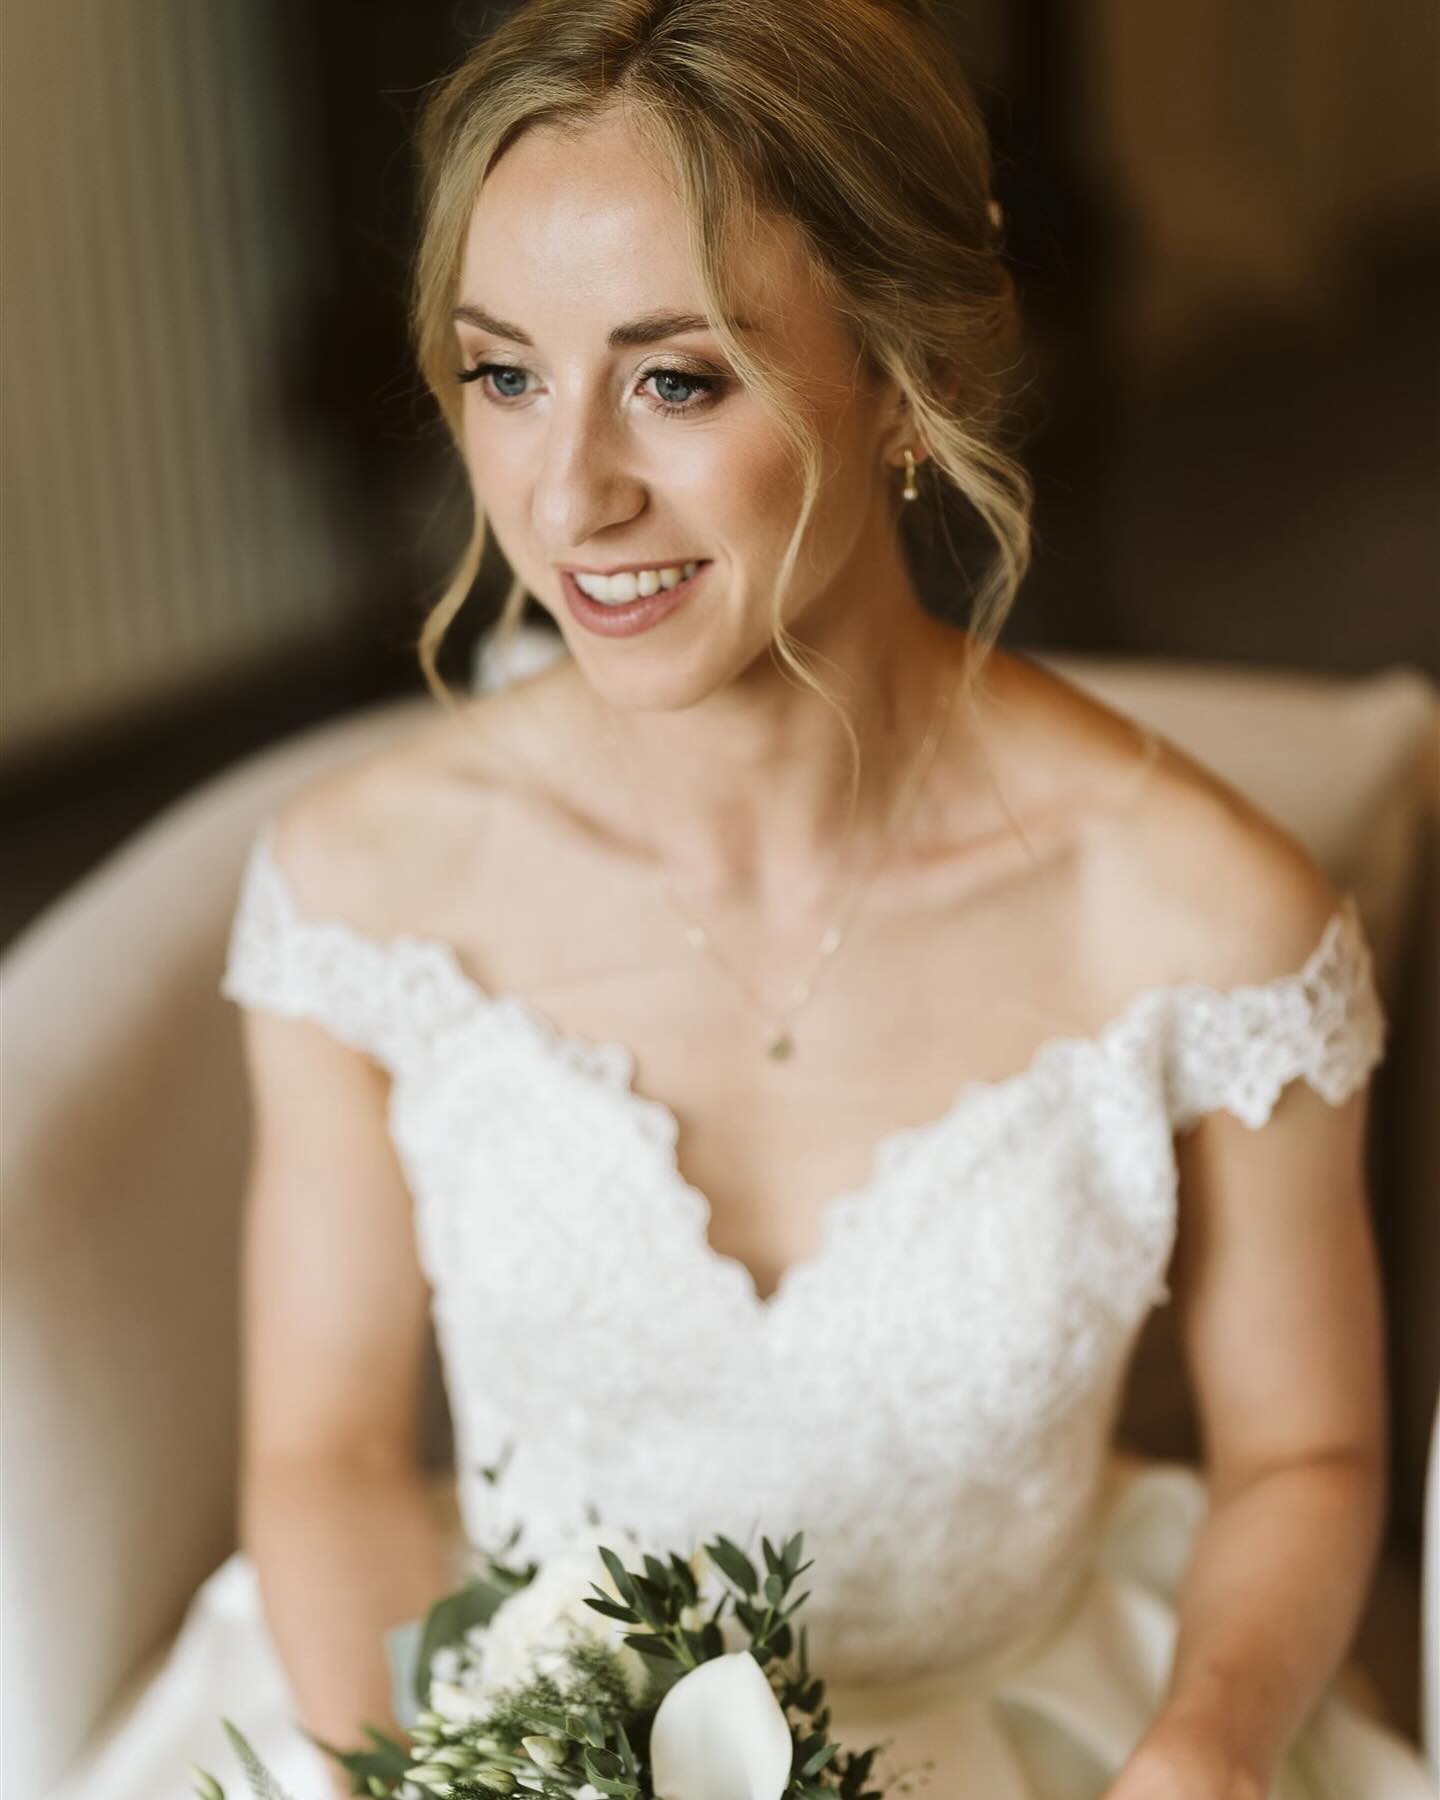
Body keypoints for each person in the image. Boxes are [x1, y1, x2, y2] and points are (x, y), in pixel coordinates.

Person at [56, 3, 1437, 1797]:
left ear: (902, 373)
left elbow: (1309, 1454)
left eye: (677, 378)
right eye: (505, 374)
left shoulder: (1207, 921)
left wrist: (1207, 1748)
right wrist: (426, 1775)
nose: (569, 493)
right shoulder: (367, 892)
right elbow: (323, 1456)